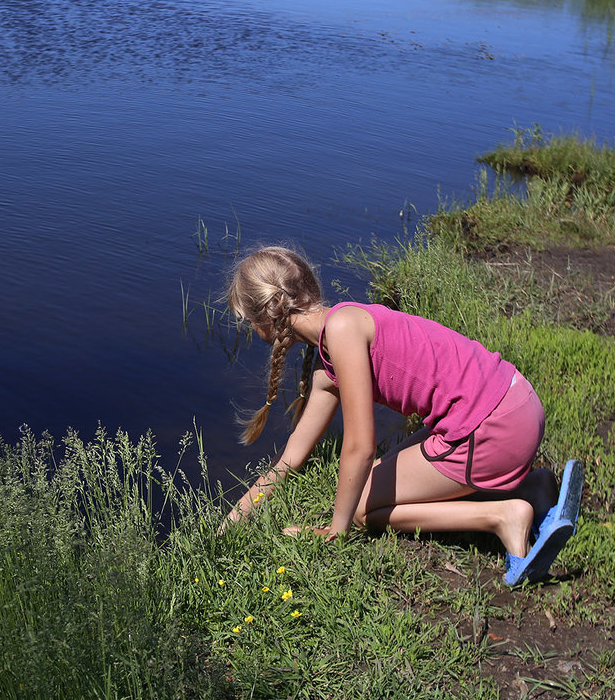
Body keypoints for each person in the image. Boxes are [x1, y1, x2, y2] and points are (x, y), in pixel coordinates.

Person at [221, 245, 582, 585]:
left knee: (361, 507)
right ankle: (533, 488)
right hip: (518, 402)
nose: (252, 331)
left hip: (493, 429)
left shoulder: (343, 332)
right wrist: (228, 525)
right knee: (378, 480)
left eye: (248, 320)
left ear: (267, 316)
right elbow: (291, 459)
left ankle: (504, 517)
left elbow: (361, 447)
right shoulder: (341, 332)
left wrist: (336, 530)